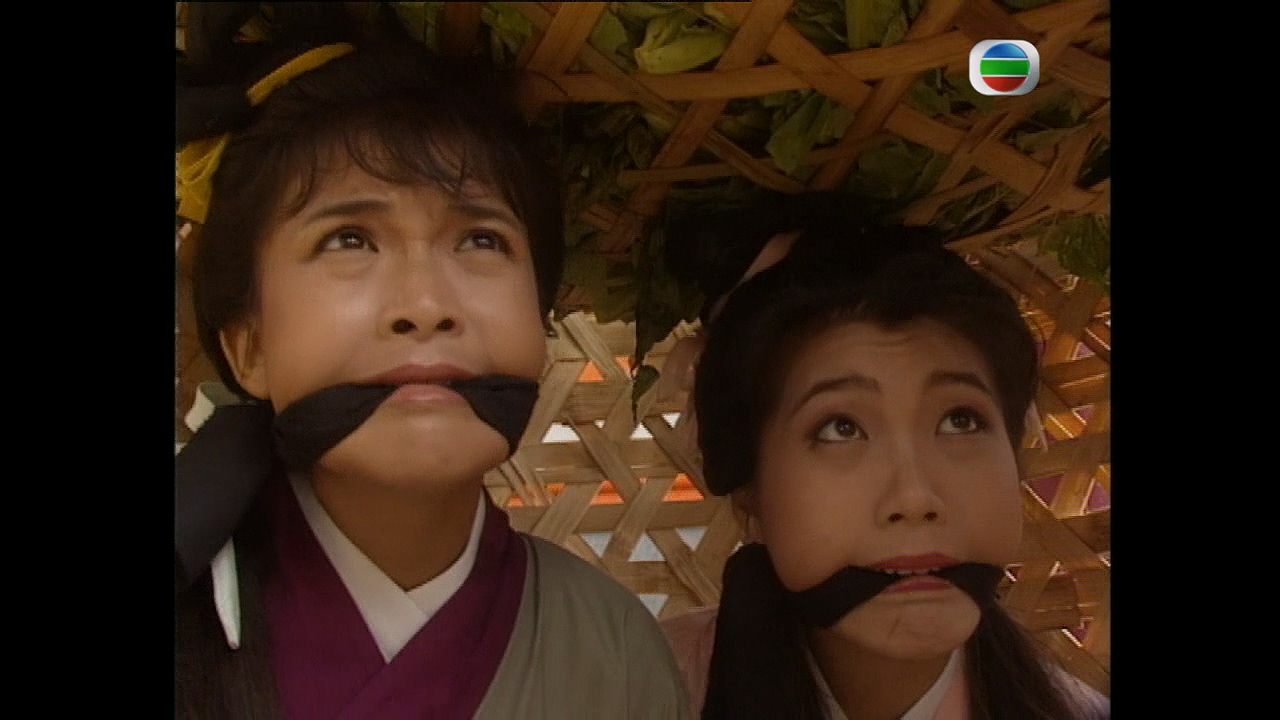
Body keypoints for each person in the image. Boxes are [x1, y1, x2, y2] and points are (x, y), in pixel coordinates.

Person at [173, 4, 689, 717]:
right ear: (248, 347)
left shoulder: (613, 653)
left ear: (541, 325)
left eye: (481, 240)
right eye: (349, 239)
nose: (424, 304)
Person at [656, 192, 1109, 719]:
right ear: (748, 490)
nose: (915, 498)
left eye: (960, 421)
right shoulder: (631, 693)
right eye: (841, 429)